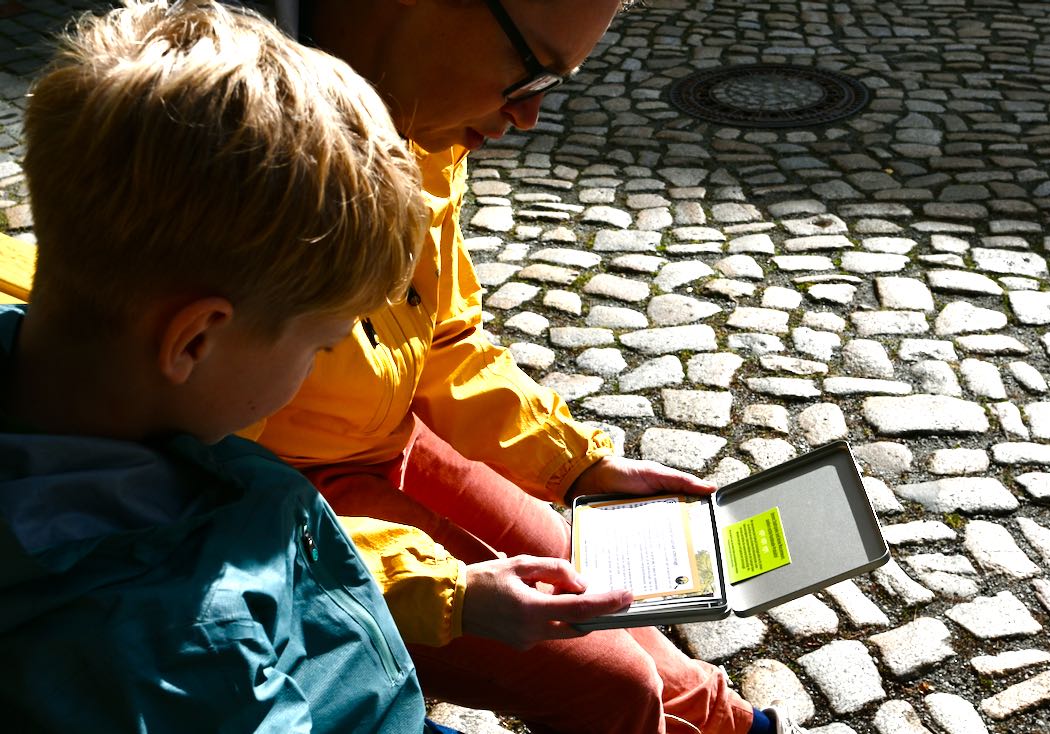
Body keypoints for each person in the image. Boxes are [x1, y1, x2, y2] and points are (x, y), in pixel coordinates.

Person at [0, 1, 631, 730]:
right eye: (323, 344)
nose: (320, 366)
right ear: (197, 340)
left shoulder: (106, 401)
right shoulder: (194, 655)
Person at [245, 1, 806, 732]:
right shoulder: (234, 146)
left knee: (625, 603)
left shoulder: (416, 119)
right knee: (615, 685)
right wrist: (448, 591)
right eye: (528, 73)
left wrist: (579, 469)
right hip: (293, 502)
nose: (530, 115)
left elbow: (444, 339)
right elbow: (200, 509)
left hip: (393, 445)